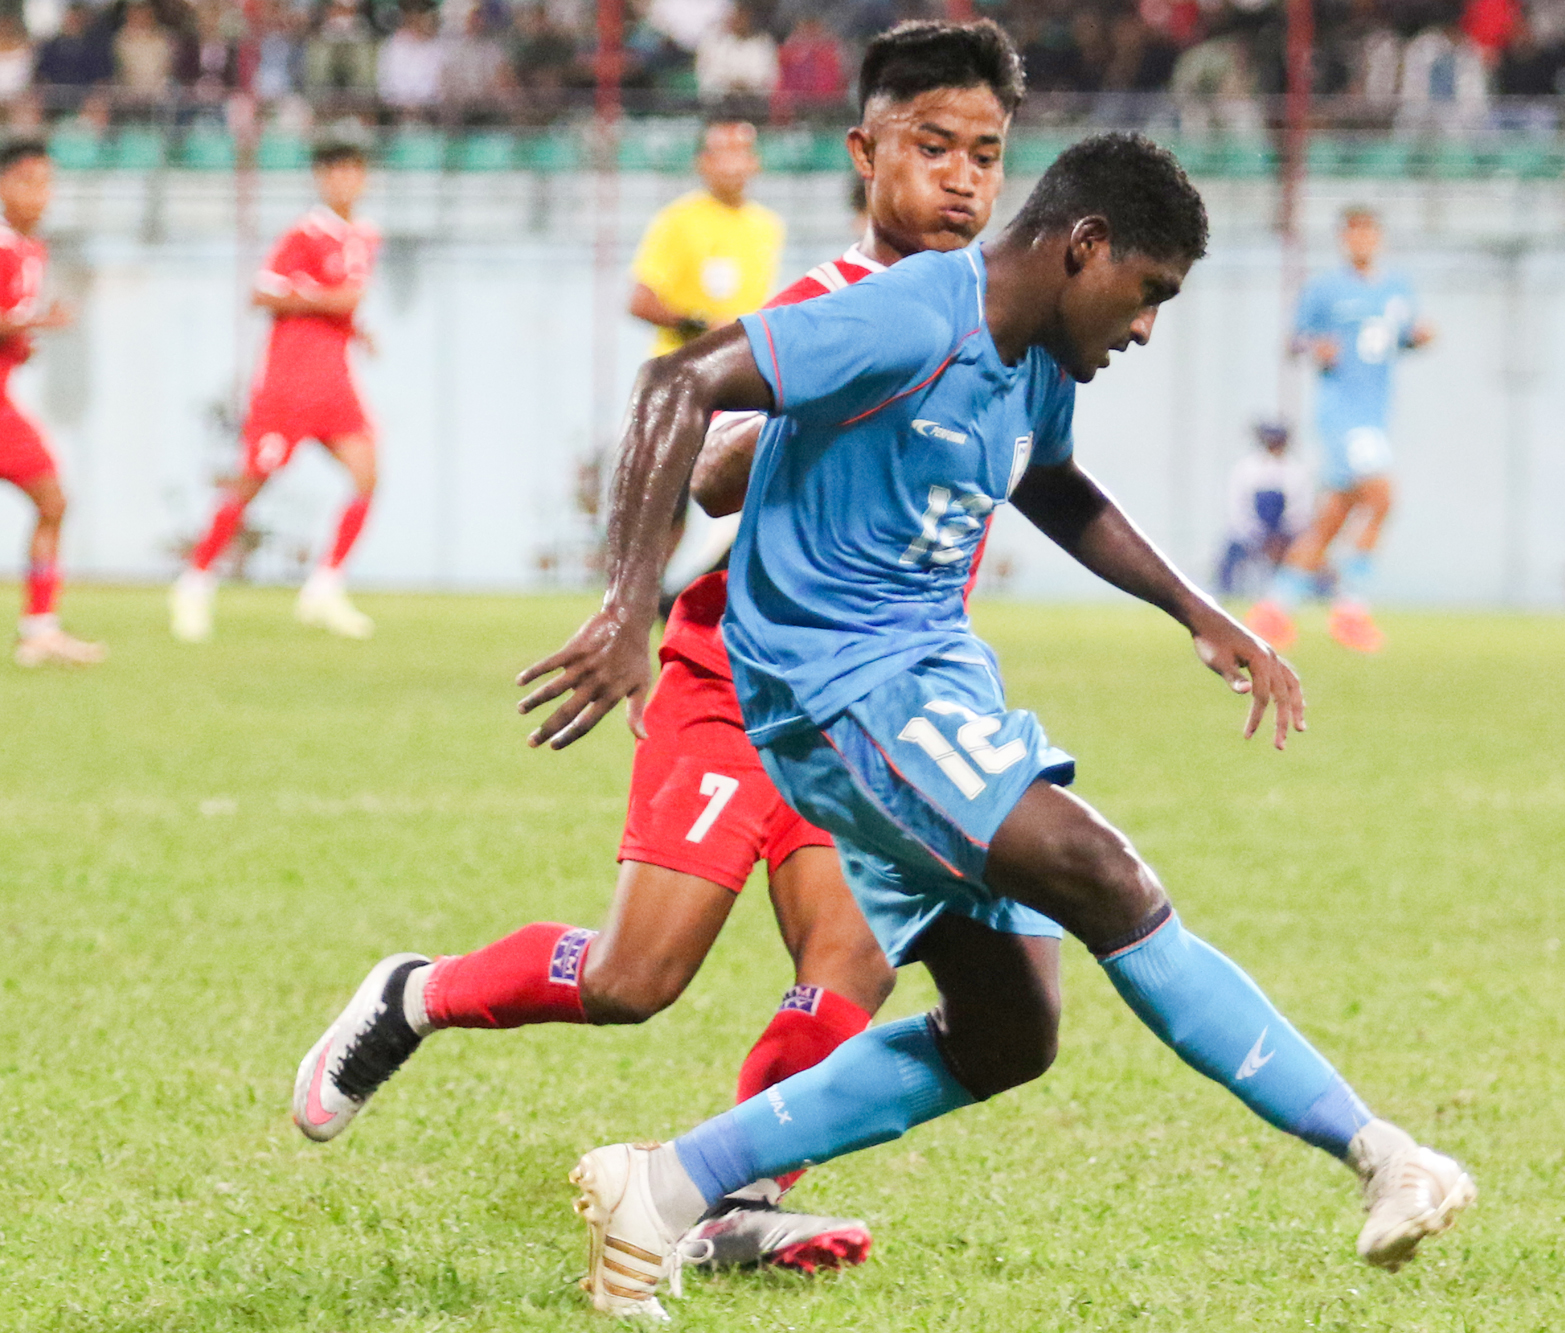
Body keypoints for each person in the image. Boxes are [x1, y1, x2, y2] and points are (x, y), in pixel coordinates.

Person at [523, 132, 1475, 1321]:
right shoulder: (910, 313)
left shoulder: (1033, 361)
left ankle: (662, 1189)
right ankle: (1378, 1150)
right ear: (1084, 249)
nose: (1142, 331)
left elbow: (1055, 483)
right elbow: (677, 385)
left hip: (931, 683)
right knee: (1101, 874)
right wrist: (628, 607)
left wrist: (1195, 608)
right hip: (836, 686)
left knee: (1009, 1029)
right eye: (1147, 295)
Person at [290, 19, 1025, 1280]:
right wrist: (632, 603)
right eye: (932, 145)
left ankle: (735, 1190)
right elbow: (706, 449)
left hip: (865, 709)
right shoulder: (829, 305)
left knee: (849, 952)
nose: (961, 175)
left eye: (986, 153)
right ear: (866, 154)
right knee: (636, 977)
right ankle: (417, 991)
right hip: (738, 681)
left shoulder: (999, 328)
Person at [170, 142, 381, 642]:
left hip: (334, 379)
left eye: (354, 170)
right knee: (254, 480)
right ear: (320, 178)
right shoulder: (304, 234)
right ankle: (195, 579)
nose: (345, 180)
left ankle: (325, 587)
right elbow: (262, 292)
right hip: (289, 379)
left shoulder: (366, 235)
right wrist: (329, 301)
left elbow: (346, 304)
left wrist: (356, 327)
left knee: (367, 474)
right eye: (335, 170)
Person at [1247, 205, 1431, 655]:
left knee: (1332, 521)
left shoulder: (1396, 288)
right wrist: (1315, 346)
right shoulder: (1325, 290)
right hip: (1342, 417)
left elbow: (1400, 335)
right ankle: (1350, 610)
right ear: (1342, 240)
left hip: (1375, 415)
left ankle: (1273, 608)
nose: (1361, 242)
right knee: (1384, 498)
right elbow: (1293, 341)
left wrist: (1419, 337)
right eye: (1353, 234)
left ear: (1379, 238)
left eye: (1368, 233)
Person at [0, 140, 99, 668]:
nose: (42, 194)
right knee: (53, 502)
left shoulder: (31, 249)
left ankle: (40, 628)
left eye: (47, 183)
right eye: (30, 181)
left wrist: (22, 342)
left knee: (53, 502)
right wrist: (36, 323)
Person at [628, 120, 782, 358]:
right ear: (703, 163)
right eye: (722, 155)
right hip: (683, 368)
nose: (732, 166)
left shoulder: (768, 225)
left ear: (755, 162)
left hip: (737, 367)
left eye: (740, 154)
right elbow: (640, 303)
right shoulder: (677, 220)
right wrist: (701, 325)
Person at [1217, 419, 1314, 596]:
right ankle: (1227, 594)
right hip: (1252, 532)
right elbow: (1238, 509)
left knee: (1312, 553)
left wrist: (1282, 536)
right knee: (1228, 556)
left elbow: (1301, 510)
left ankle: (1307, 596)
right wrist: (1259, 536)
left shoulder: (1296, 470)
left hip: (1285, 534)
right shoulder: (1245, 469)